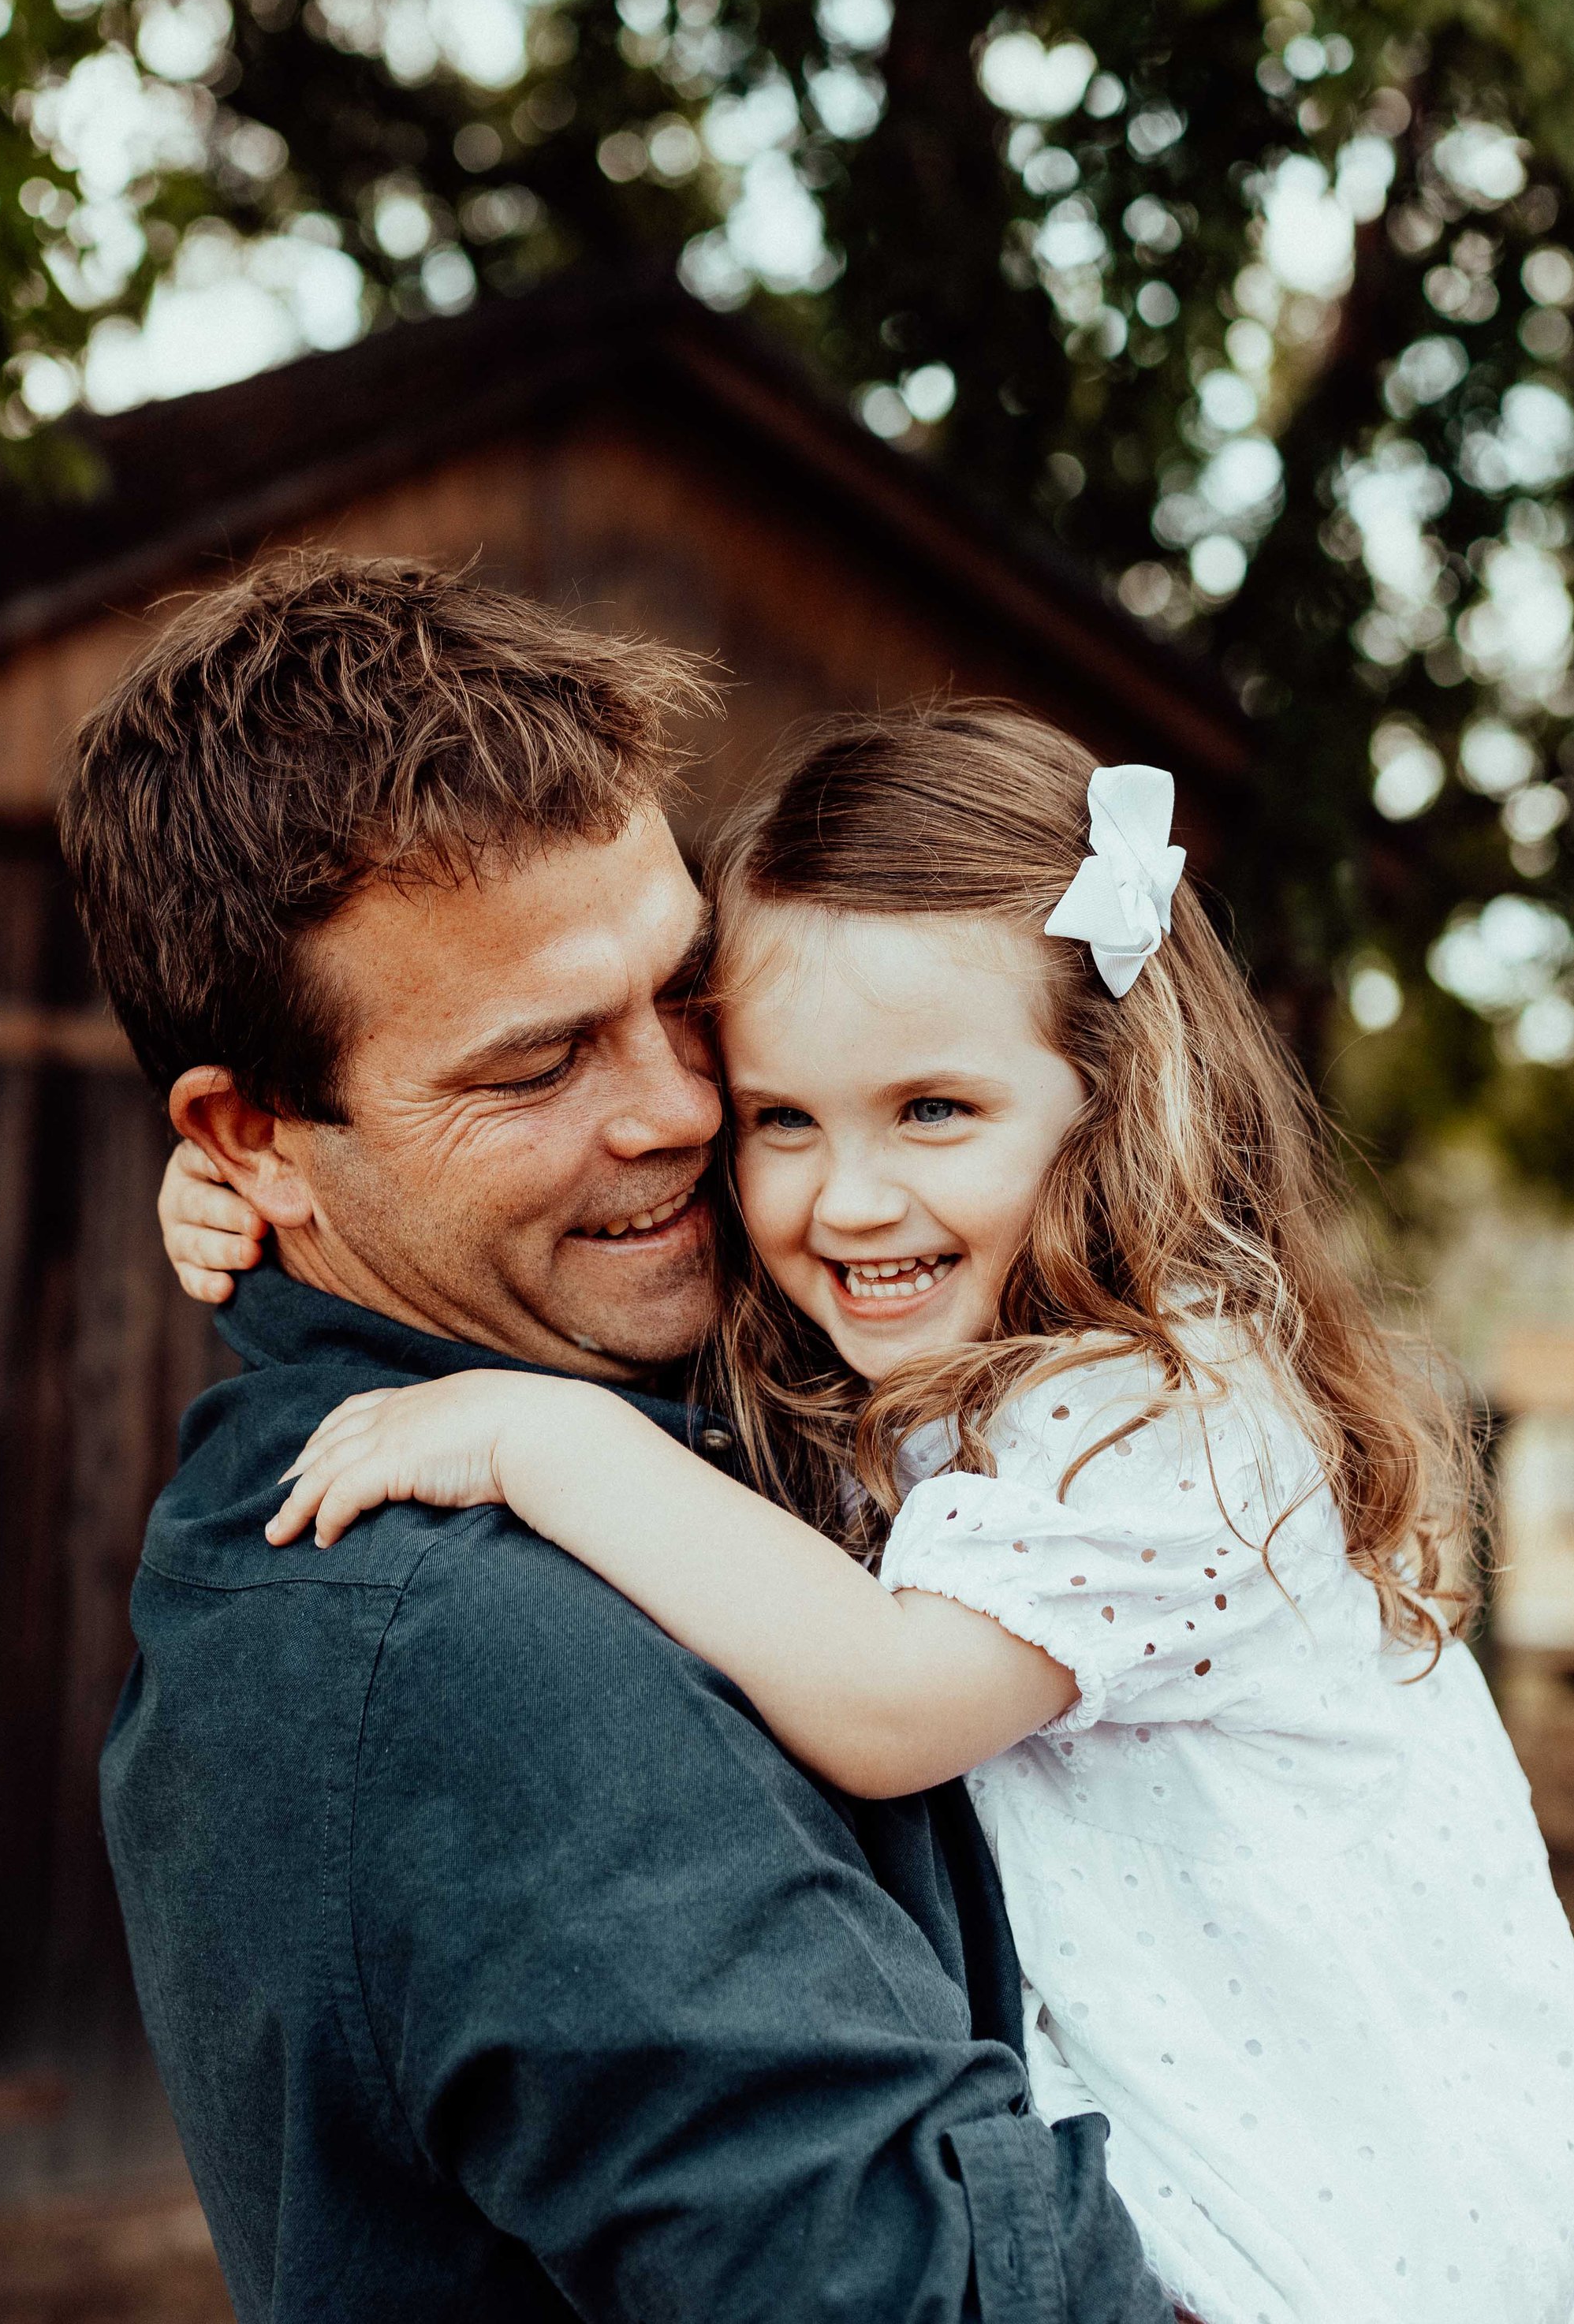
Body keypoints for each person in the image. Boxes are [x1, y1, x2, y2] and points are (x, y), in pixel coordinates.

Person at [181, 708, 1574, 2324]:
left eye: (933, 1111)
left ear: (1107, 1098)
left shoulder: (1161, 1422)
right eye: (782, 1118)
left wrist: (541, 1443)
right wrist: (276, 1181)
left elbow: (882, 1702)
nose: (843, 1197)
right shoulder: (932, 1363)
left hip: (1327, 2236)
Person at [62, 554, 1175, 2324]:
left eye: (681, 991)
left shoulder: (706, 1376)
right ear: (256, 1134)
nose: (676, 1108)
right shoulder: (473, 1659)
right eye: (534, 1067)